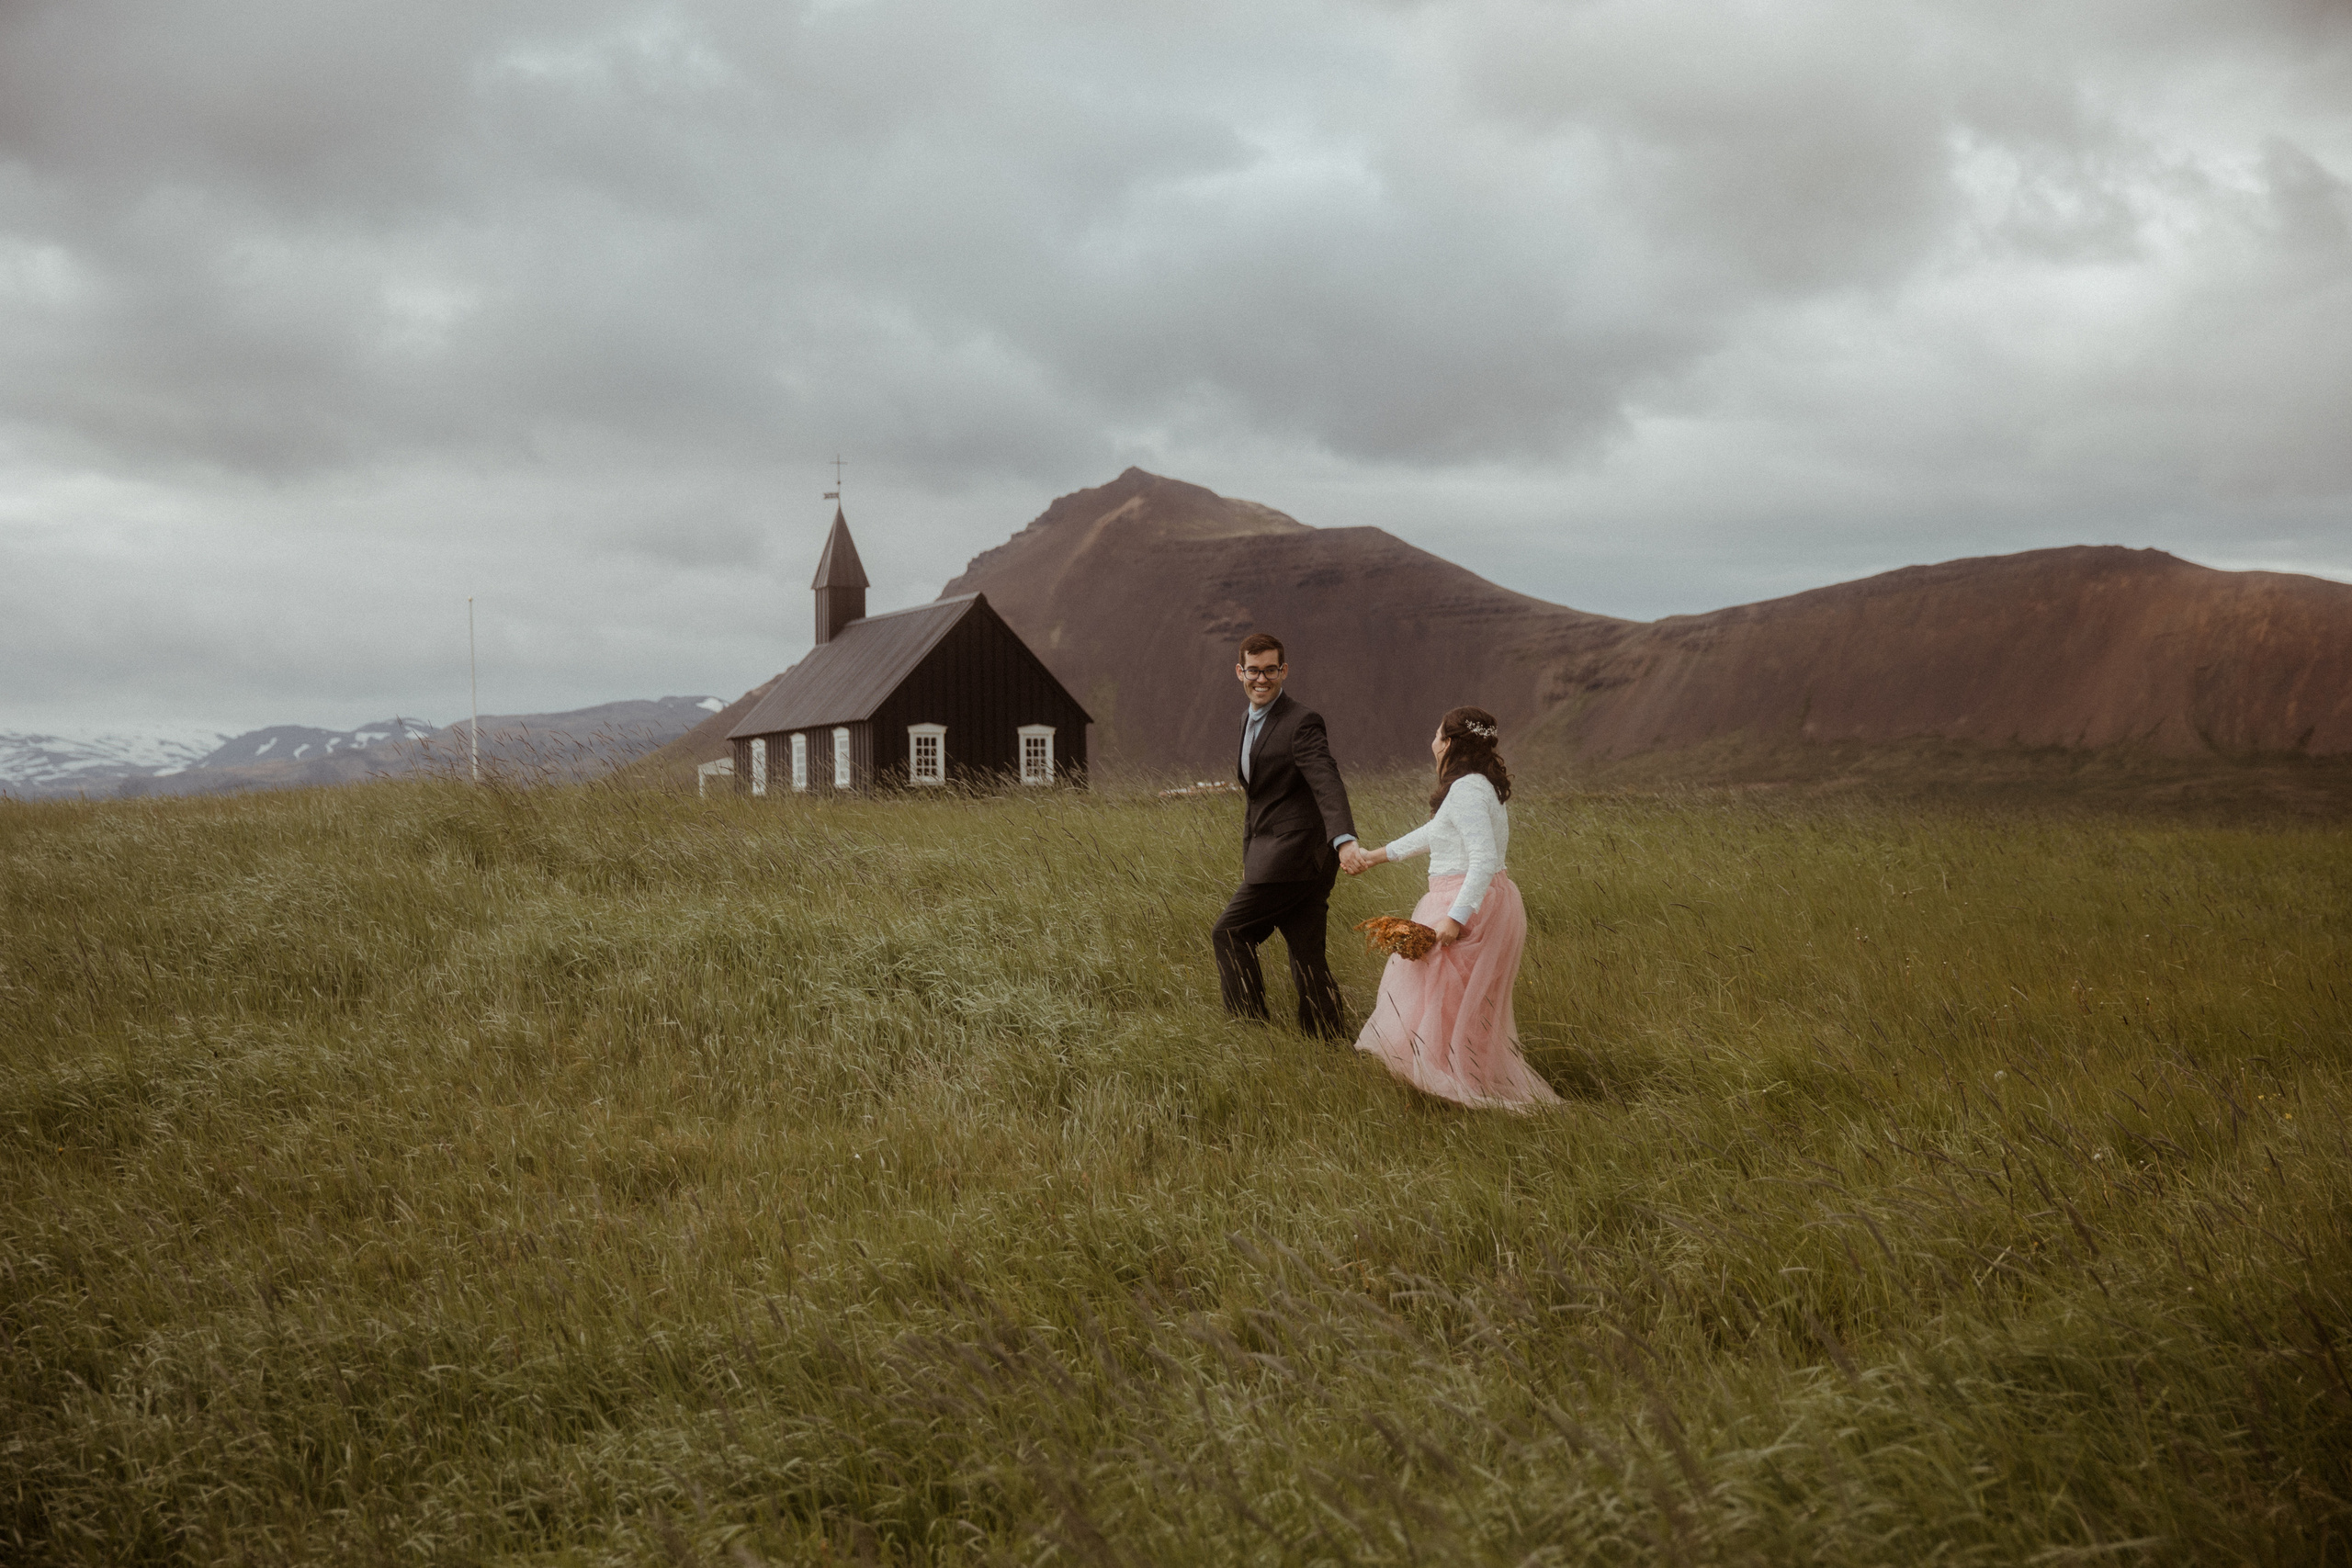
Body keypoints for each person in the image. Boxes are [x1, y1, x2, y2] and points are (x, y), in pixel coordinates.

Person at [1346, 706, 1560, 1110]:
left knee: (1437, 1000)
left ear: (1448, 744)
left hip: (1463, 901)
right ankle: (1452, 1086)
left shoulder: (1467, 790)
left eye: (1437, 735)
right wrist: (1376, 856)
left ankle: (1451, 1091)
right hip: (1479, 898)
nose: (1432, 742)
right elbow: (1436, 832)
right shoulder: (1477, 787)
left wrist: (1455, 918)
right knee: (1453, 1004)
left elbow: (1483, 859)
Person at [1211, 633, 1364, 1039]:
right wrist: (1250, 856)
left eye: (1270, 671)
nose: (1262, 679)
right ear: (1240, 672)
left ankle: (1250, 1030)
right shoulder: (1246, 720)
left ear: (1284, 671)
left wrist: (1344, 838)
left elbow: (1326, 780)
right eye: (1254, 671)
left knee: (1229, 932)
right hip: (1279, 856)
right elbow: (1258, 798)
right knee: (1306, 951)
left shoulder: (1302, 721)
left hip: (1295, 856)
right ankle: (1327, 1039)